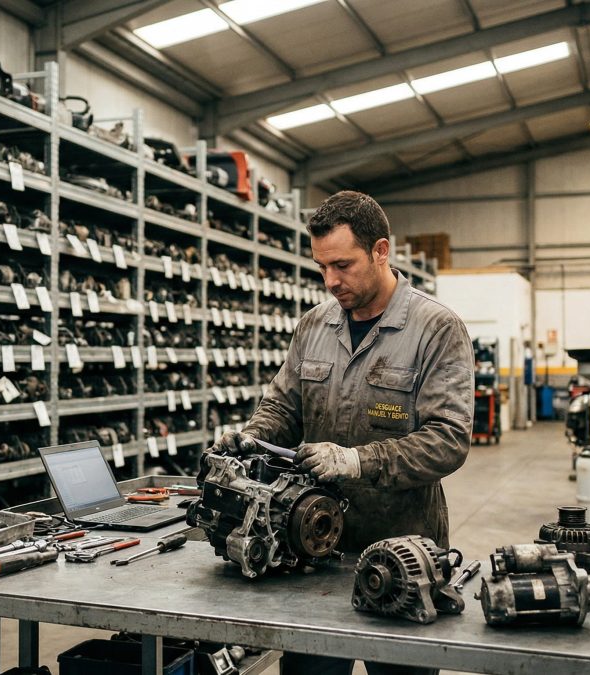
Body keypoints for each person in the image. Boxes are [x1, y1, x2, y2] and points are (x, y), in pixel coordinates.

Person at [208, 191, 474, 675]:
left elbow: (448, 439)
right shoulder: (313, 325)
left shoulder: (436, 328)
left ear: (381, 251)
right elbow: (283, 406)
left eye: (343, 265)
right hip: (309, 551)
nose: (331, 281)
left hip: (401, 556)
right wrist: (251, 437)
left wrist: (356, 461)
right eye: (321, 267)